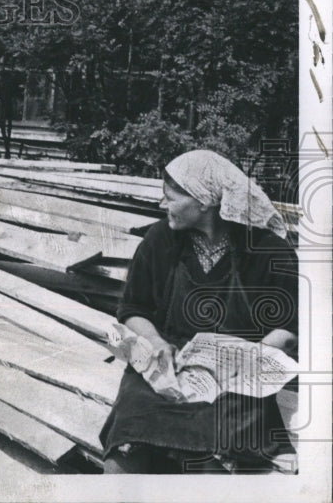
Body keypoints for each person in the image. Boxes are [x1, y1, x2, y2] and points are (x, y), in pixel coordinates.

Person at [100, 149, 298, 474]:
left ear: (204, 202)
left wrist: (250, 358)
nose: (162, 205)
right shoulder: (161, 239)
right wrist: (155, 342)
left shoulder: (265, 249)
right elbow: (133, 308)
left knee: (219, 439)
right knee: (131, 423)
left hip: (239, 374)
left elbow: (289, 327)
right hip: (171, 364)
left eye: (171, 198)